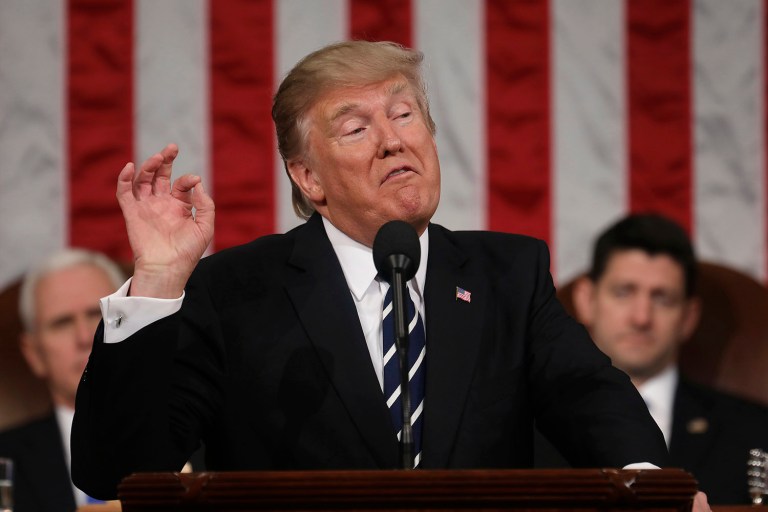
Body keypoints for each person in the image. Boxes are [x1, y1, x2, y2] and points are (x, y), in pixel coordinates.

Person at [72, 41, 679, 502]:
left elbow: (587, 396)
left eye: (404, 115)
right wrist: (157, 279)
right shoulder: (235, 290)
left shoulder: (509, 273)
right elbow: (114, 470)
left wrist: (654, 487)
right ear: (307, 178)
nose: (393, 142)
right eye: (356, 129)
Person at [535, 213, 768, 504]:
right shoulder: (534, 431)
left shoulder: (755, 433)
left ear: (688, 317)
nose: (641, 318)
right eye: (624, 292)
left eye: (662, 298)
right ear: (586, 299)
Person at [0, 248, 125, 511]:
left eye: (96, 314)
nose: (84, 337)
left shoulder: (201, 446)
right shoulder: (4, 458)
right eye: (62, 323)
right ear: (33, 353)